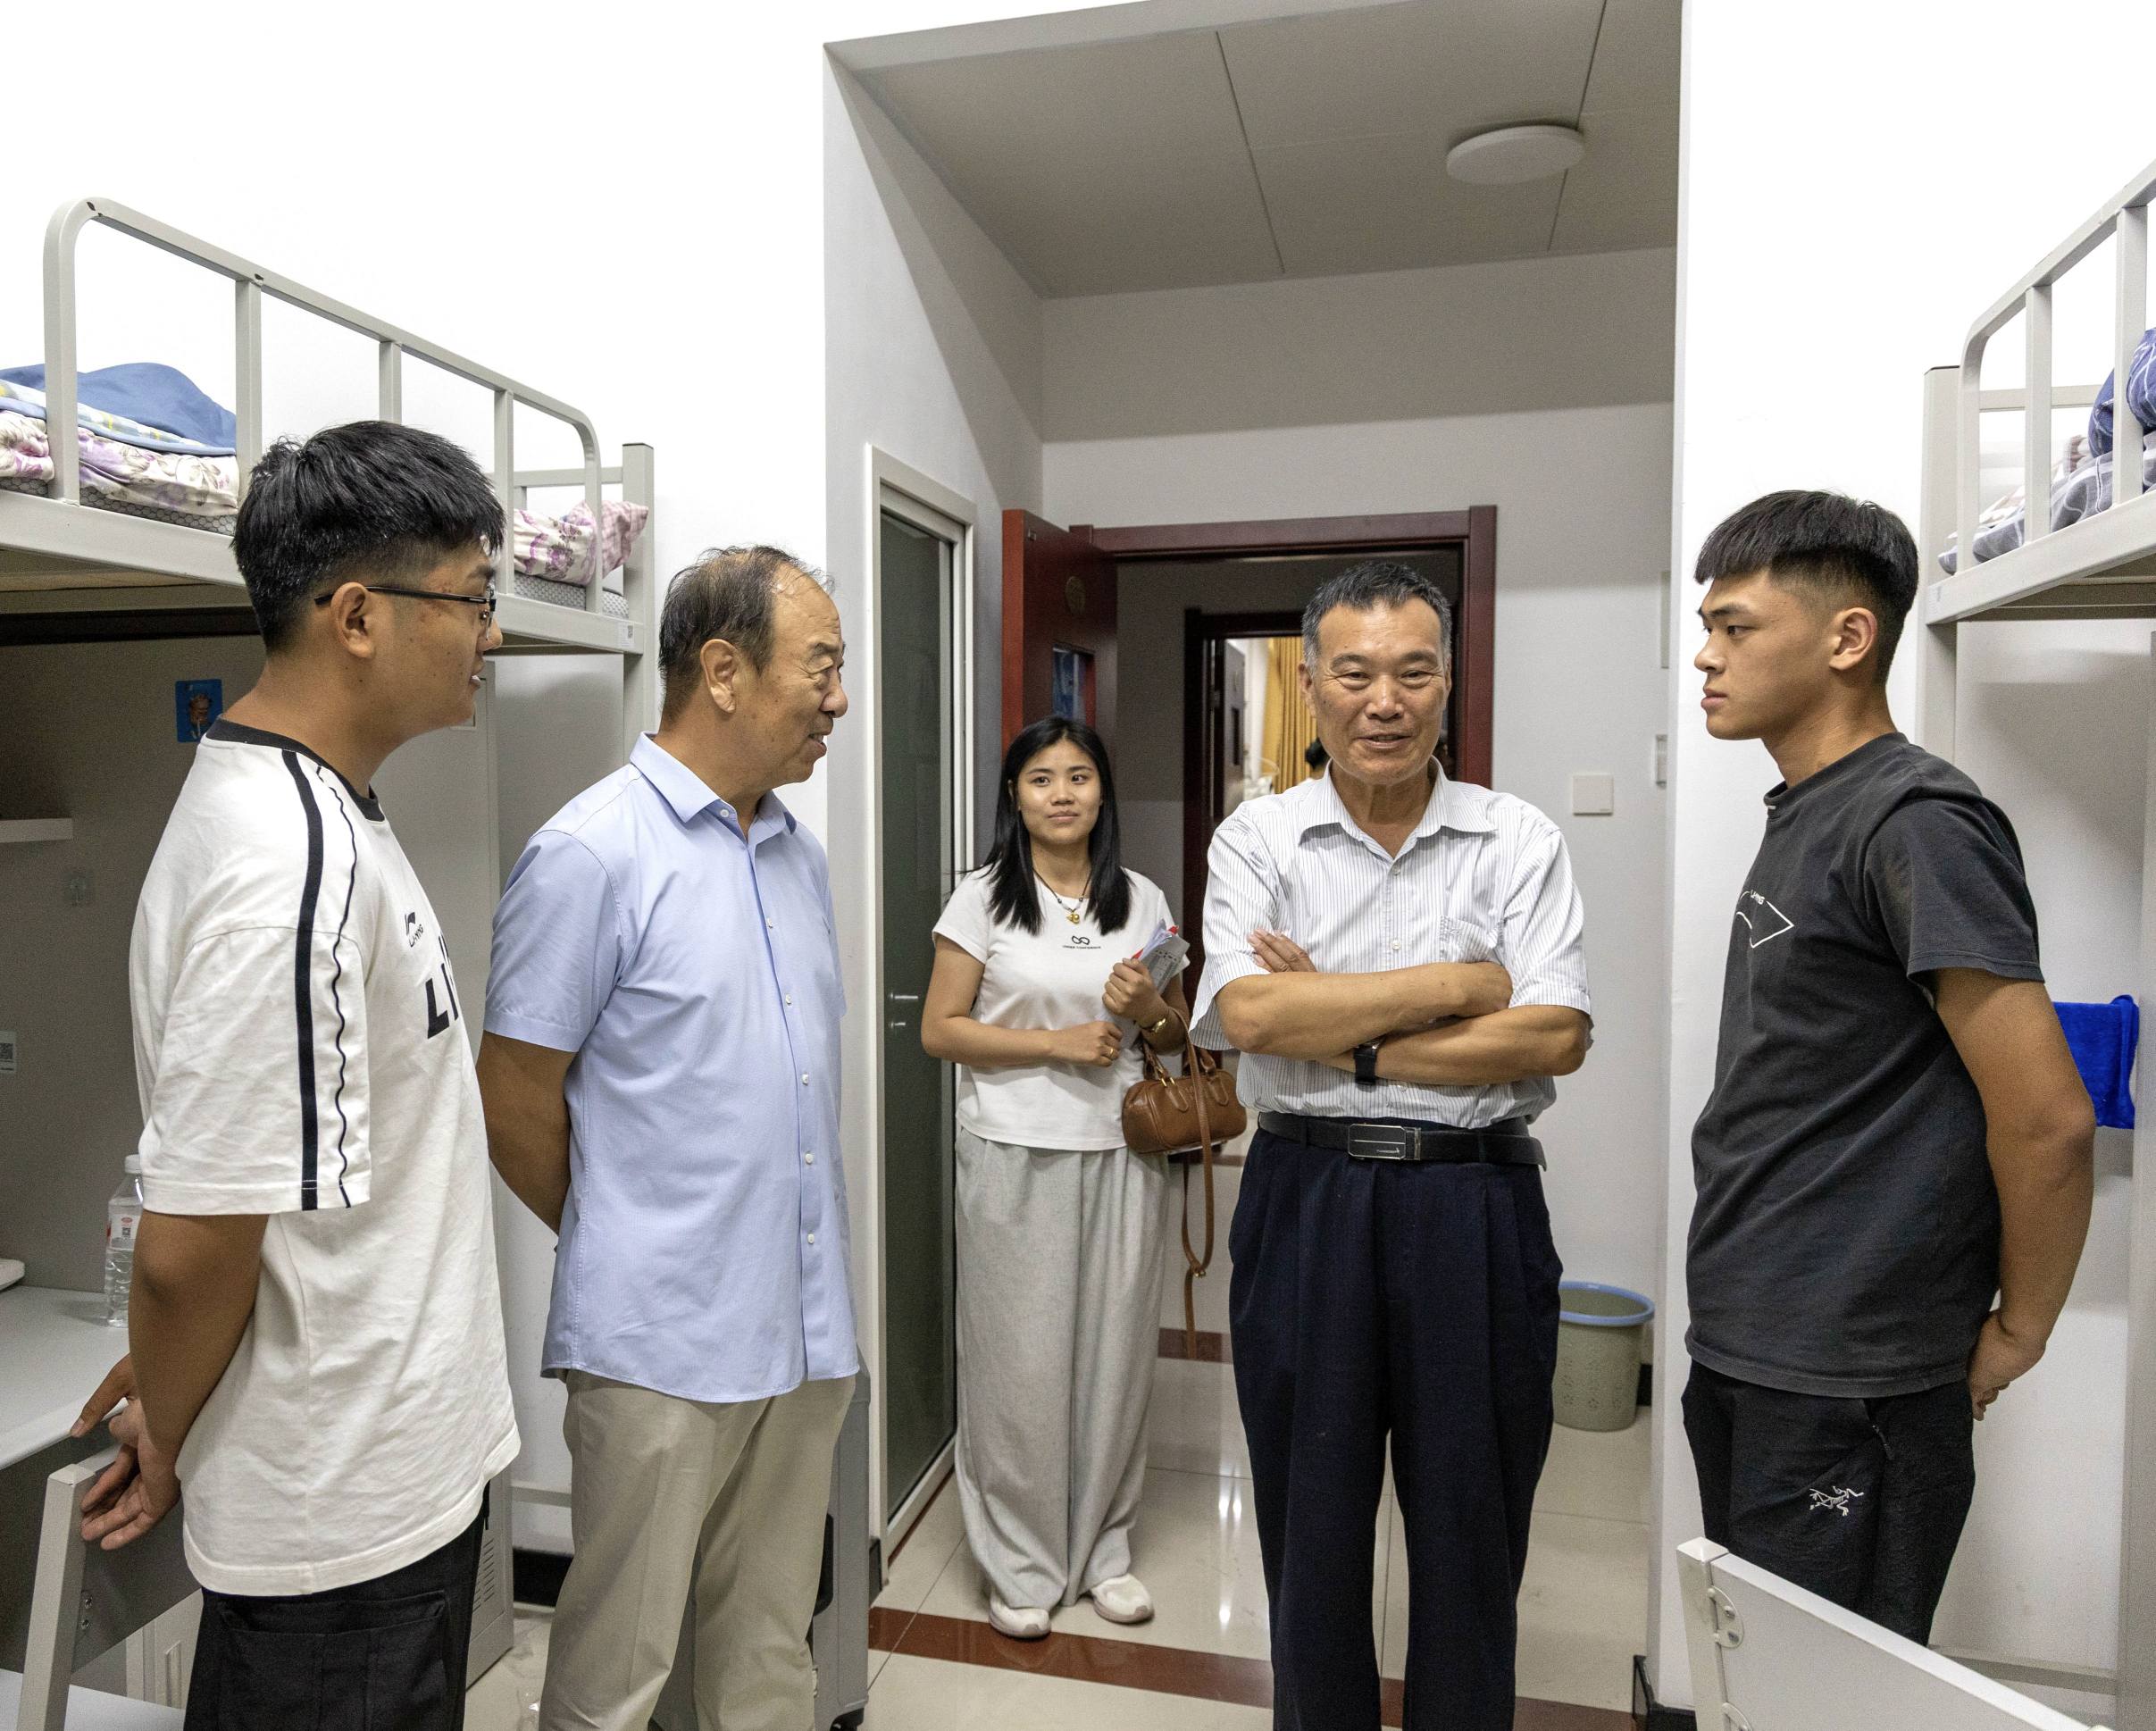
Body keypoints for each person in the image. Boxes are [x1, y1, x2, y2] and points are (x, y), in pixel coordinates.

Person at [72, 421, 520, 1730]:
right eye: (472, 599)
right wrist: (167, 1408)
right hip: (342, 1521)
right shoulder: (285, 865)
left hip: (384, 1477)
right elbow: (191, 1242)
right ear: (358, 616)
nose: (491, 633)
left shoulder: (327, 814)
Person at [1684, 489, 2094, 1642]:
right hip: (1758, 1338)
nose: (1705, 658)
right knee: (1759, 1674)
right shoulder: (1809, 810)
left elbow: (2047, 1117)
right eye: (1707, 630)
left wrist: (2019, 1328)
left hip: (1848, 1367)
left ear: (1846, 638)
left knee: (1824, 1692)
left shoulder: (1914, 820)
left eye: (1734, 628)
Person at [1191, 560, 1592, 1730]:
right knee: (1307, 1523)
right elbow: (1248, 1016)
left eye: (1412, 672)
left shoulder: (1514, 838)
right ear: (1308, 684)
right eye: (1354, 673)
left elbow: (1554, 1033)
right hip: (1303, 1198)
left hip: (1471, 1204)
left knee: (1473, 1525)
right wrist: (1460, 987)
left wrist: (1346, 1029)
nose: (1384, 701)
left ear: (1447, 682)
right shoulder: (1259, 838)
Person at [480, 546, 856, 1731]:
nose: (839, 699)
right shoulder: (592, 852)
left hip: (803, 1328)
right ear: (724, 672)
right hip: (659, 1341)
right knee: (618, 1673)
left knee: (766, 1654)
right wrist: (634, 1229)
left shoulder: (797, 855)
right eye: (821, 668)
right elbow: (512, 1098)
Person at [920, 716, 1190, 1641]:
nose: (1062, 794)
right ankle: (1022, 1564)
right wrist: (1053, 1044)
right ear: (1015, 797)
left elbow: (1173, 1036)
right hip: (1013, 1151)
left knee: (1115, 1361)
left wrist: (1149, 1006)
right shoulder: (981, 899)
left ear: (1102, 791)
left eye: (1079, 776)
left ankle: (1104, 1550)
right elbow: (941, 1030)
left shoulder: (1140, 898)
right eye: (1041, 779)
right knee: (1018, 1366)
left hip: (1123, 1155)